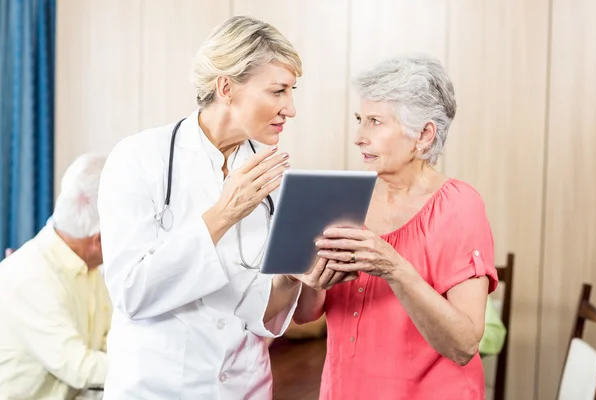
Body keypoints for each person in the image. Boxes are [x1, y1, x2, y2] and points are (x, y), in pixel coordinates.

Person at [97, 16, 312, 400]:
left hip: (246, 387)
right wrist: (224, 213)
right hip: (156, 390)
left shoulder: (272, 174)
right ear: (226, 88)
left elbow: (260, 309)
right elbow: (131, 294)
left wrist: (298, 273)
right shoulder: (139, 158)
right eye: (278, 91)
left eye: (291, 91)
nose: (290, 108)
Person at [293, 54, 499, 399]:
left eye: (375, 122)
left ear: (424, 135)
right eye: (360, 119)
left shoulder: (460, 207)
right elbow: (305, 315)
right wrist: (305, 279)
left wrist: (395, 269)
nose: (359, 136)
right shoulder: (342, 199)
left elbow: (464, 345)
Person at [0, 153, 112, 400]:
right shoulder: (29, 277)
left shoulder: (89, 267)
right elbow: (79, 367)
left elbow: (111, 340)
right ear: (98, 240)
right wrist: (151, 369)